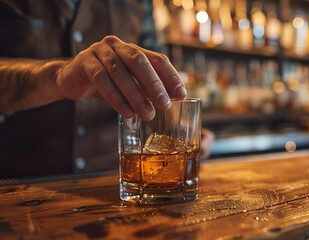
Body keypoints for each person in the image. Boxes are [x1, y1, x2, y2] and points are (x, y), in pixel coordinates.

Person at [0, 0, 213, 179]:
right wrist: (57, 77)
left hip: (115, 188)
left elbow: (159, 87)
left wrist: (182, 131)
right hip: (18, 187)